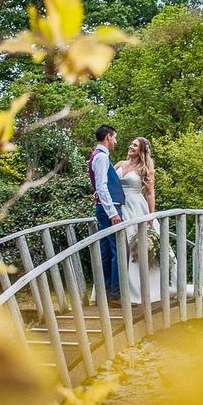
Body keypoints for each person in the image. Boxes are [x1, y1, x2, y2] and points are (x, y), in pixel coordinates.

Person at [115, 137, 175, 303]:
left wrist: (150, 216)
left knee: (137, 246)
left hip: (136, 208)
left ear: (141, 151)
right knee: (119, 247)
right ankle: (117, 290)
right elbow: (110, 183)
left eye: (135, 145)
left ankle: (141, 291)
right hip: (119, 207)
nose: (131, 146)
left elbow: (149, 193)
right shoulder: (119, 164)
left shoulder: (144, 169)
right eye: (131, 143)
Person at [88, 125, 125, 304]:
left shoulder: (97, 155)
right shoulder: (102, 157)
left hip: (104, 209)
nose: (115, 141)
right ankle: (115, 295)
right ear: (108, 137)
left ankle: (106, 293)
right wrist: (112, 212)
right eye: (114, 137)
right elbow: (102, 187)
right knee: (117, 250)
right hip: (109, 209)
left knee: (107, 252)